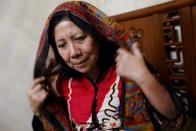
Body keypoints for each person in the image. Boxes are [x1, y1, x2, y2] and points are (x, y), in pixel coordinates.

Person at [28, 1, 183, 130]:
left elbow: (174, 115)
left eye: (80, 38)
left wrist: (143, 77)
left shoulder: (128, 66)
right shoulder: (61, 83)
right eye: (62, 45)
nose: (73, 52)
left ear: (97, 36)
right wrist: (39, 111)